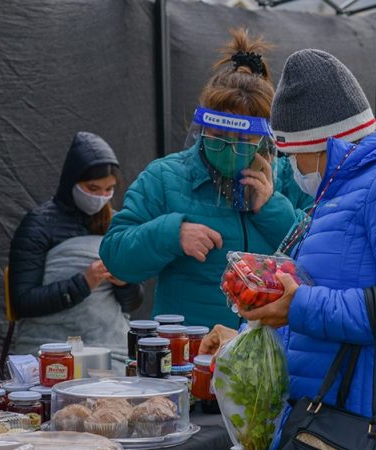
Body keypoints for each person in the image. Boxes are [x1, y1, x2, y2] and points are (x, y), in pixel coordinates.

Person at [201, 49, 376, 436]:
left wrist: (299, 307)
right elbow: (322, 288)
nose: (293, 168)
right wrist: (243, 341)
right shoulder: (340, 191)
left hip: (365, 422)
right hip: (324, 417)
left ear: (324, 144)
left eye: (294, 156)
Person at [99, 29, 312, 329]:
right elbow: (115, 255)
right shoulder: (165, 177)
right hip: (190, 351)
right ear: (202, 129)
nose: (228, 148)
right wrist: (172, 234)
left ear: (266, 139)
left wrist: (271, 208)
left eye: (243, 140)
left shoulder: (292, 178)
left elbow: (322, 255)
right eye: (217, 136)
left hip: (271, 351)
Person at [8, 131, 143, 357]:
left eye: (108, 189)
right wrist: (82, 283)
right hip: (49, 346)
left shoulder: (115, 223)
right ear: (72, 180)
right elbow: (23, 302)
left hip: (109, 347)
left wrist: (124, 282)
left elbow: (132, 303)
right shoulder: (38, 225)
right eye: (92, 188)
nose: (101, 197)